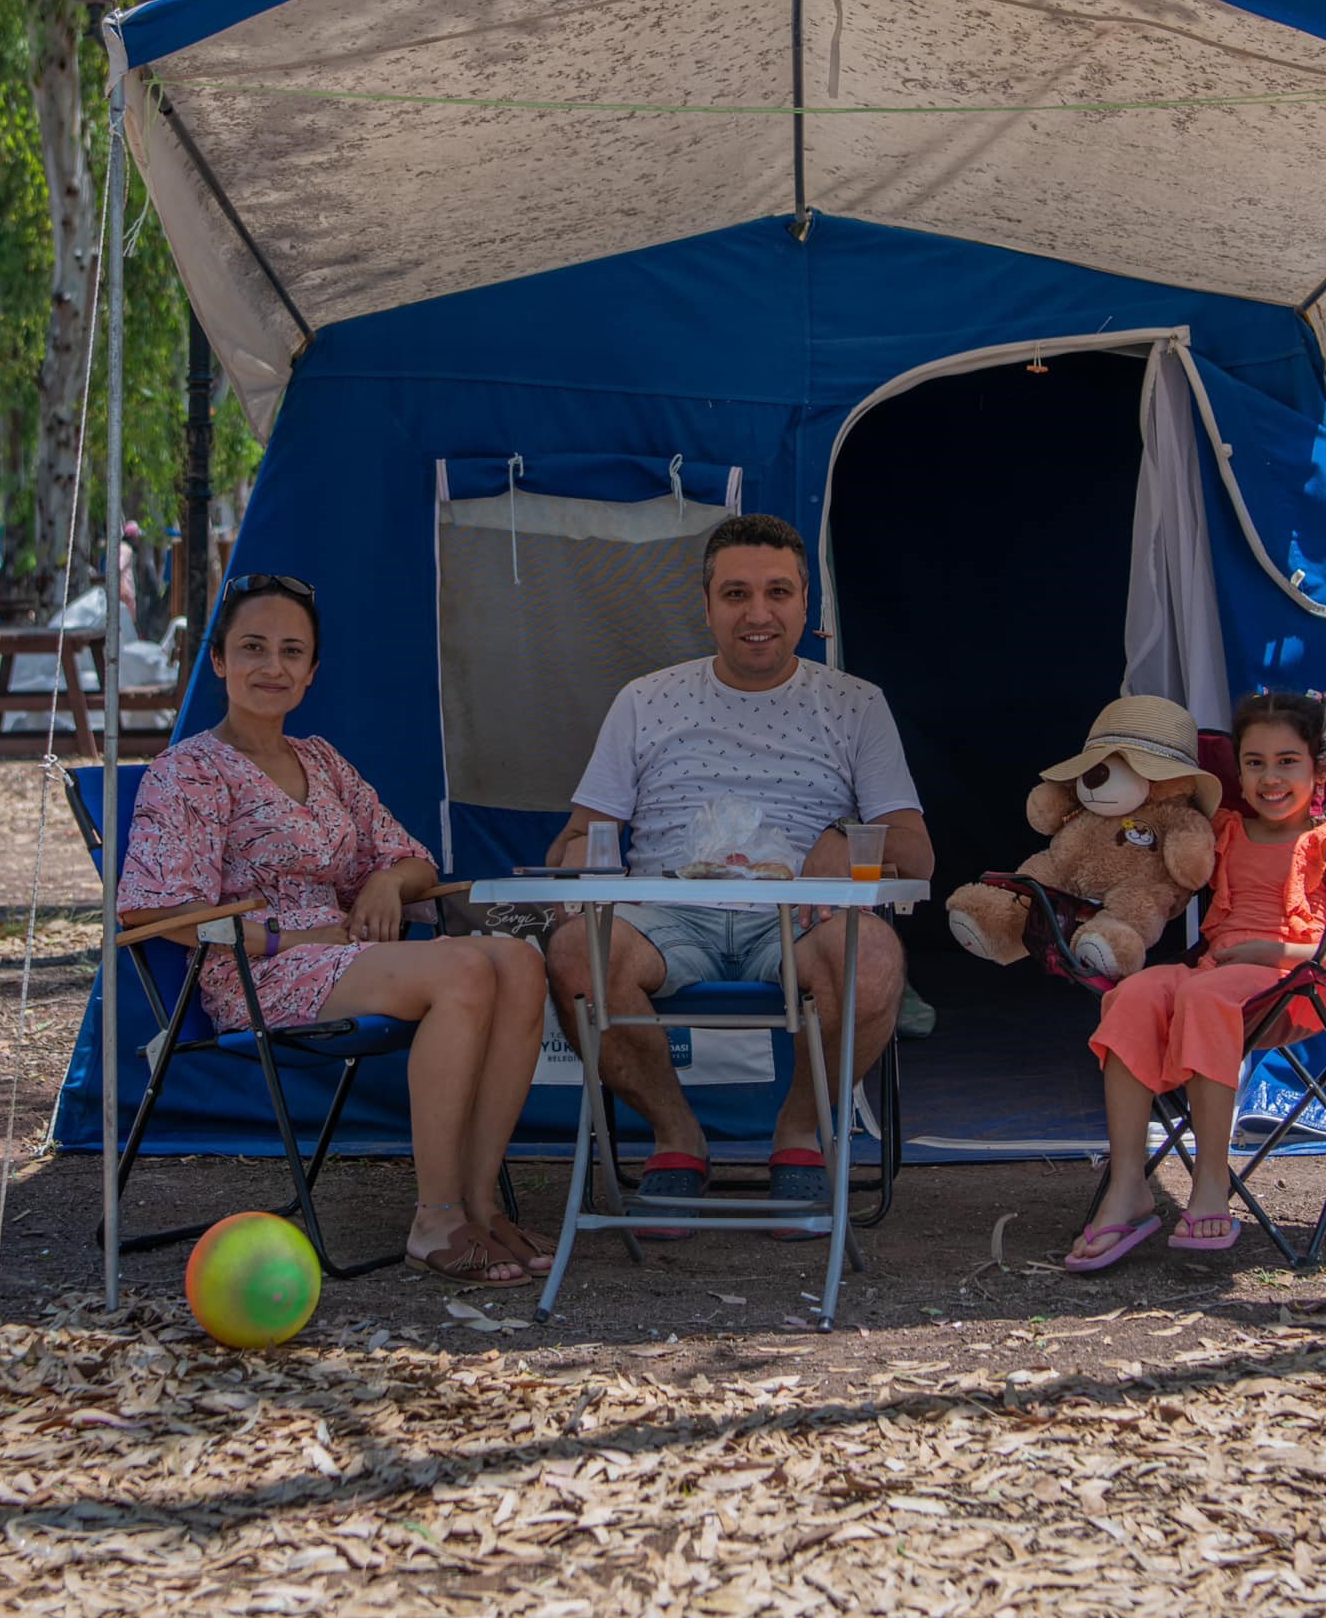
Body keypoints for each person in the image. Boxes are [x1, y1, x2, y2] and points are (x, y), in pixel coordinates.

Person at [117, 573, 552, 1286]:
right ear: (218, 660)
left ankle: (479, 1202)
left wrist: (384, 880)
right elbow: (151, 910)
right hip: (257, 977)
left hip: (347, 960)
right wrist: (282, 941)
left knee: (520, 960)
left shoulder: (321, 759)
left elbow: (412, 861)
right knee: (467, 969)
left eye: (292, 652)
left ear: (312, 672)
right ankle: (435, 1217)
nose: (272, 667)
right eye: (252, 648)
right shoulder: (190, 771)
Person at [543, 513, 934, 1229]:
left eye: (778, 592)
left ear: (805, 602)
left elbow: (917, 849)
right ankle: (677, 1136)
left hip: (799, 917)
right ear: (707, 606)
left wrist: (846, 834)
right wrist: (575, 869)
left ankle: (799, 1135)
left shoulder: (855, 704)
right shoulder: (644, 699)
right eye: (736, 595)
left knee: (875, 957)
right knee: (576, 953)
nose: (758, 614)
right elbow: (581, 834)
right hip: (665, 913)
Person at [1067, 688, 1326, 1272]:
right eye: (1255, 763)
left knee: (1204, 993)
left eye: (1288, 762)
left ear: (1322, 767)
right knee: (1134, 995)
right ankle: (1128, 1184)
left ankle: (1211, 1182)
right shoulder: (1227, 832)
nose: (1270, 777)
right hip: (1218, 971)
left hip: (1296, 983)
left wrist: (1266, 949)